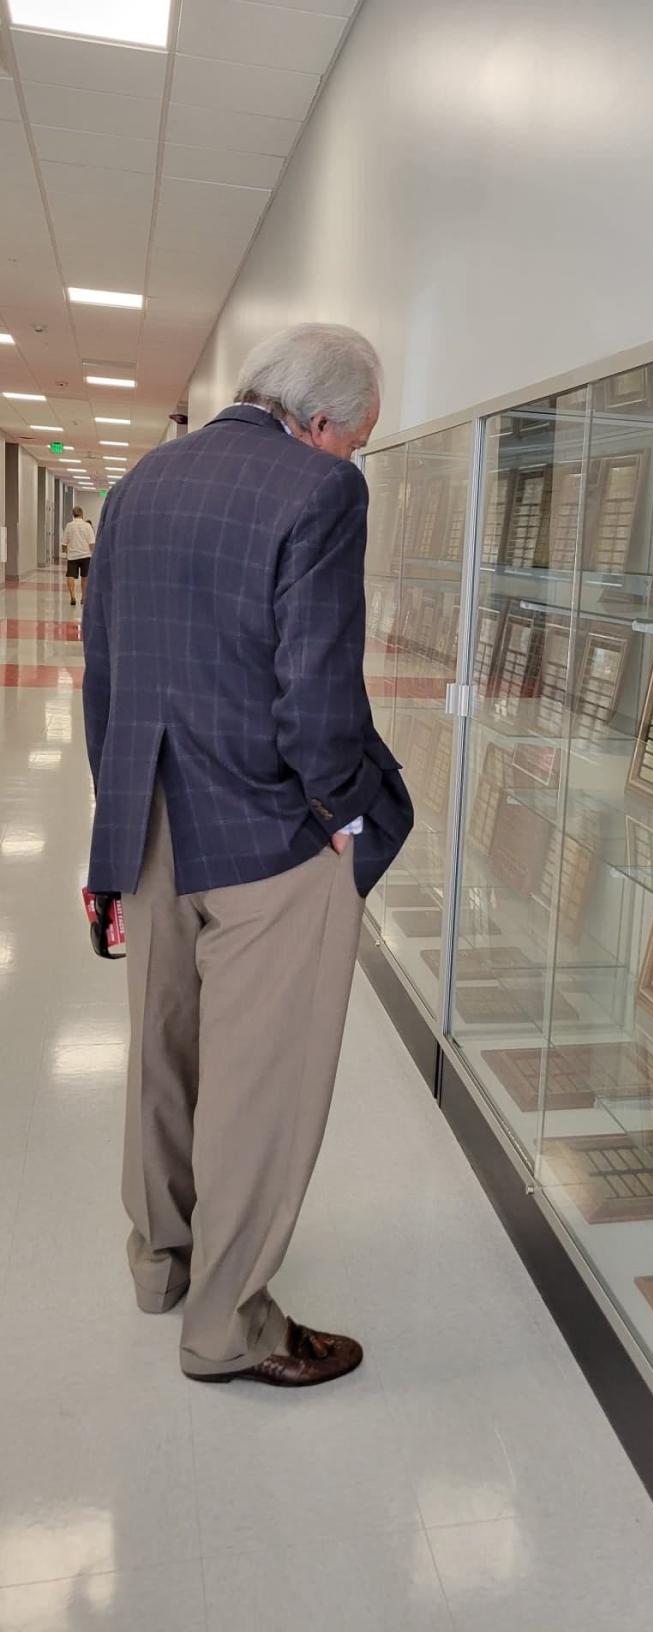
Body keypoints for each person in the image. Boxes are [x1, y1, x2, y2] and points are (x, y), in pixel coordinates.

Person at [82, 324, 414, 1388]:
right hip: (272, 829)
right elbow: (318, 696)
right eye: (356, 440)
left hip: (151, 814)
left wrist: (119, 820)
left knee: (164, 1051)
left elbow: (102, 675)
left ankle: (161, 1262)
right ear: (321, 423)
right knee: (259, 1087)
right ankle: (229, 1327)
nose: (353, 458)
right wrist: (351, 816)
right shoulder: (320, 494)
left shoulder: (141, 485)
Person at [62, 505, 95, 605]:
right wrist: (91, 553)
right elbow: (92, 543)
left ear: (73, 514)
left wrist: (66, 553)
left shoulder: (69, 525)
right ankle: (83, 597)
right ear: (82, 514)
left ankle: (72, 596)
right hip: (85, 555)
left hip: (72, 556)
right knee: (85, 577)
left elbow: (64, 543)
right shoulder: (87, 526)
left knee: (70, 575)